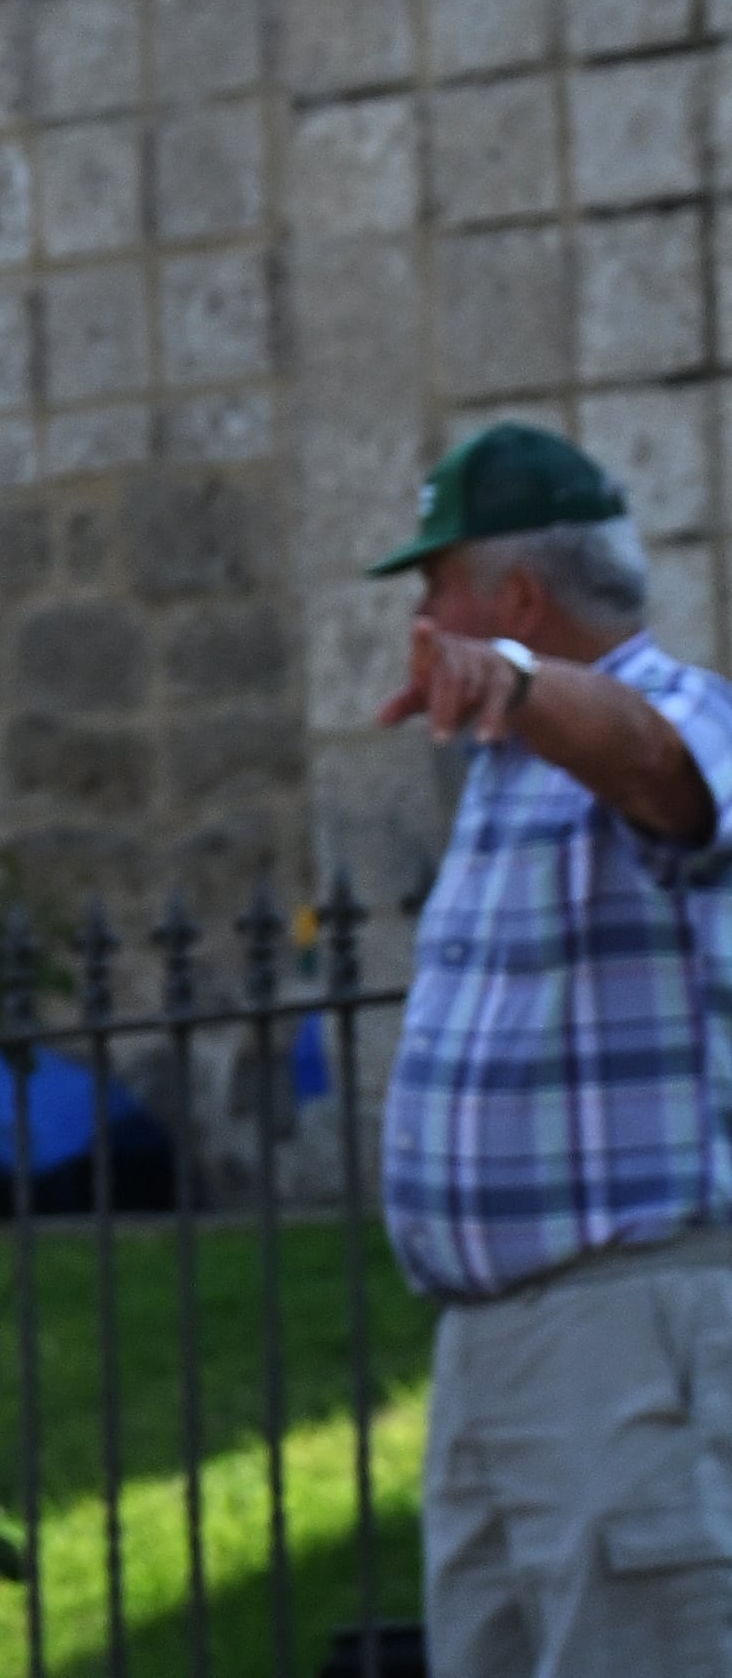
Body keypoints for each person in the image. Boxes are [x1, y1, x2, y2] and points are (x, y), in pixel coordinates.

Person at [371, 421, 732, 1673]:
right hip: (495, 1347)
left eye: (434, 579)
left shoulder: (674, 710)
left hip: (624, 1336)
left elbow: (659, 770)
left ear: (512, 596)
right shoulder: (508, 770)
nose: (418, 607)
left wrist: (516, 684)